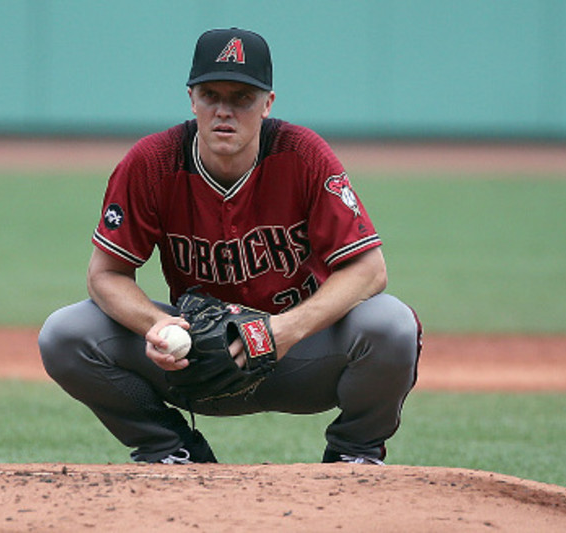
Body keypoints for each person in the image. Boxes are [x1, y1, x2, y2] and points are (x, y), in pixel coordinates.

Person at [38, 27, 421, 465]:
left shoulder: (303, 155)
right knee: (65, 334)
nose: (225, 110)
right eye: (211, 94)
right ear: (191, 99)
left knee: (391, 324)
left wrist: (285, 330)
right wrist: (155, 326)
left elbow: (370, 270)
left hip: (296, 354)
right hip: (193, 358)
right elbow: (104, 275)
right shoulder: (152, 162)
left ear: (267, 104)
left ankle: (354, 456)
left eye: (241, 97)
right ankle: (170, 449)